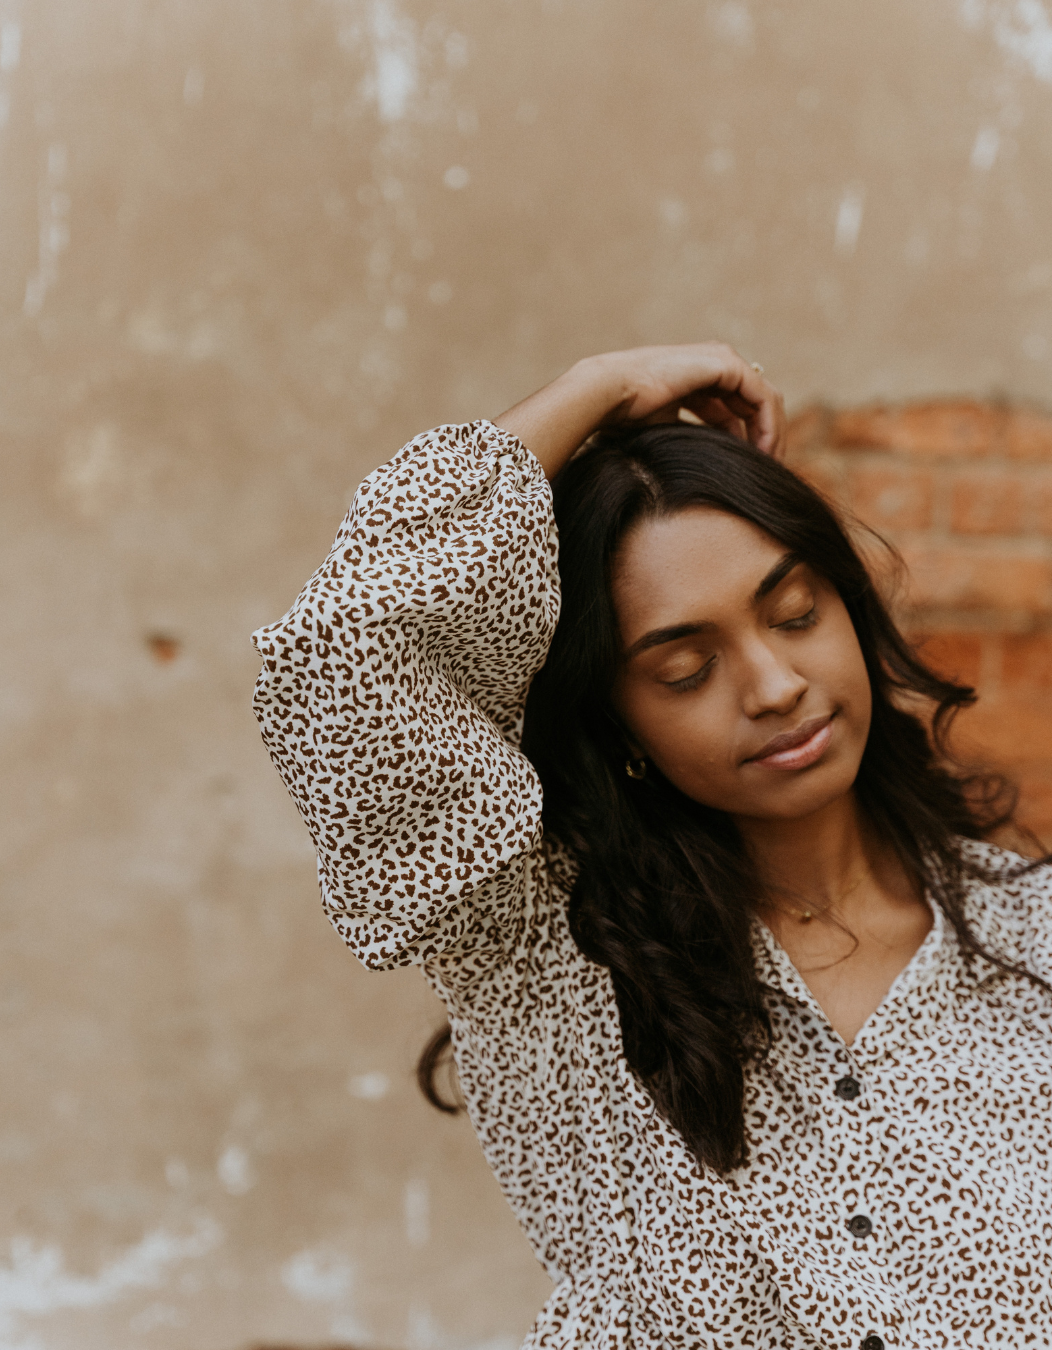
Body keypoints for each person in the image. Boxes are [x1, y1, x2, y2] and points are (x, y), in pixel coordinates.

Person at [252, 344, 1052, 1350]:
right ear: (619, 719)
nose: (772, 685)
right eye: (684, 669)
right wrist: (599, 389)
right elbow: (342, 653)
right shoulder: (546, 947)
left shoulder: (1034, 935)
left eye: (796, 613)